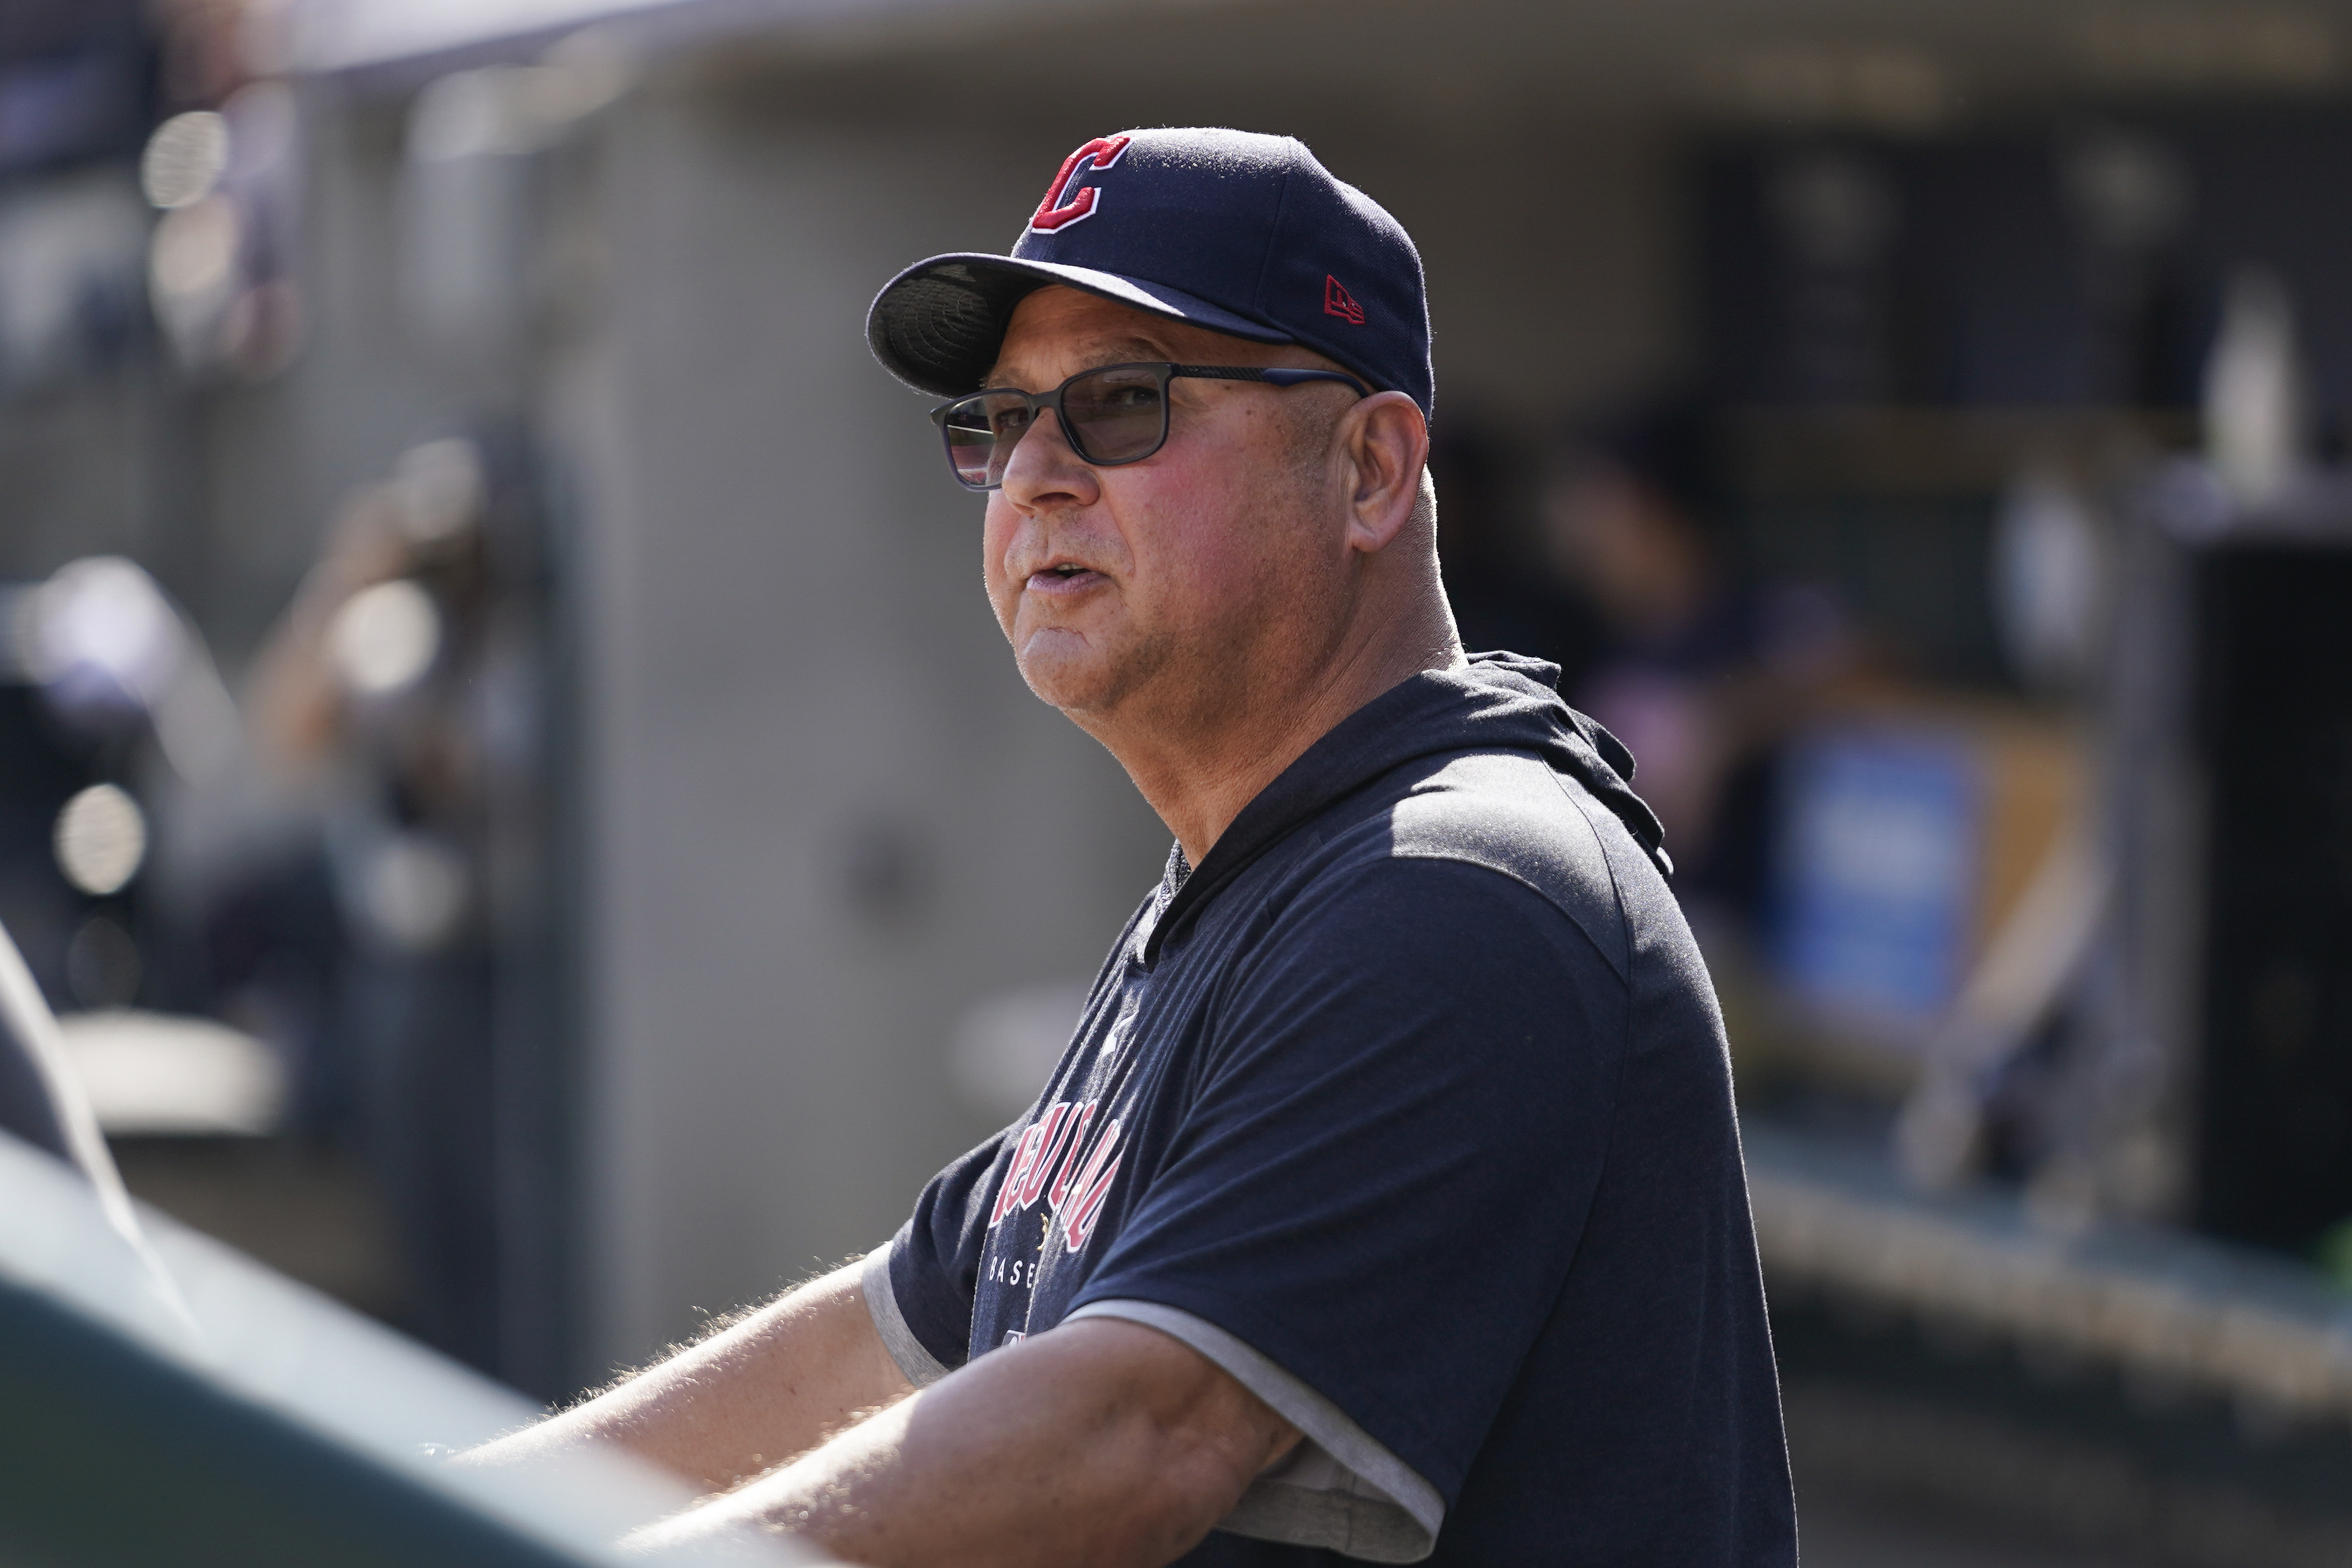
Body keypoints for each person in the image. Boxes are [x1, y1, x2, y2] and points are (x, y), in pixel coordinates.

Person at [464, 127, 1794, 1567]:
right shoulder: (1246, 893)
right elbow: (867, 1352)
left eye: (1118, 403)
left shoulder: (1463, 884)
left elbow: (1133, 1436)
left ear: (1370, 470)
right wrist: (378, 1510)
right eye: (997, 421)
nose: (1029, 473)